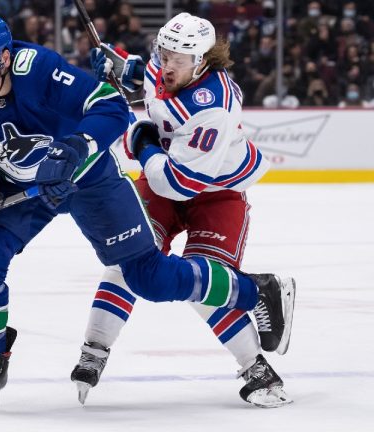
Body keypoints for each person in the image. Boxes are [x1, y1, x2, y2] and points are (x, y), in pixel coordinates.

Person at [0, 15, 295, 414]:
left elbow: (113, 110)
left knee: (149, 278)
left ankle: (254, 292)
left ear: (4, 57)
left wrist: (77, 148)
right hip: (27, 190)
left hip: (110, 180)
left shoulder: (37, 68)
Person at [81, 13, 295, 408]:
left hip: (213, 191)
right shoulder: (166, 67)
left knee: (204, 286)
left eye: (179, 57)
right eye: (164, 53)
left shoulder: (214, 105)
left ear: (203, 60)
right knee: (126, 258)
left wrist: (141, 142)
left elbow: (177, 182)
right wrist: (113, 64)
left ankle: (256, 365)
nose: (168, 64)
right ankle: (94, 350)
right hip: (164, 181)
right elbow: (136, 72)